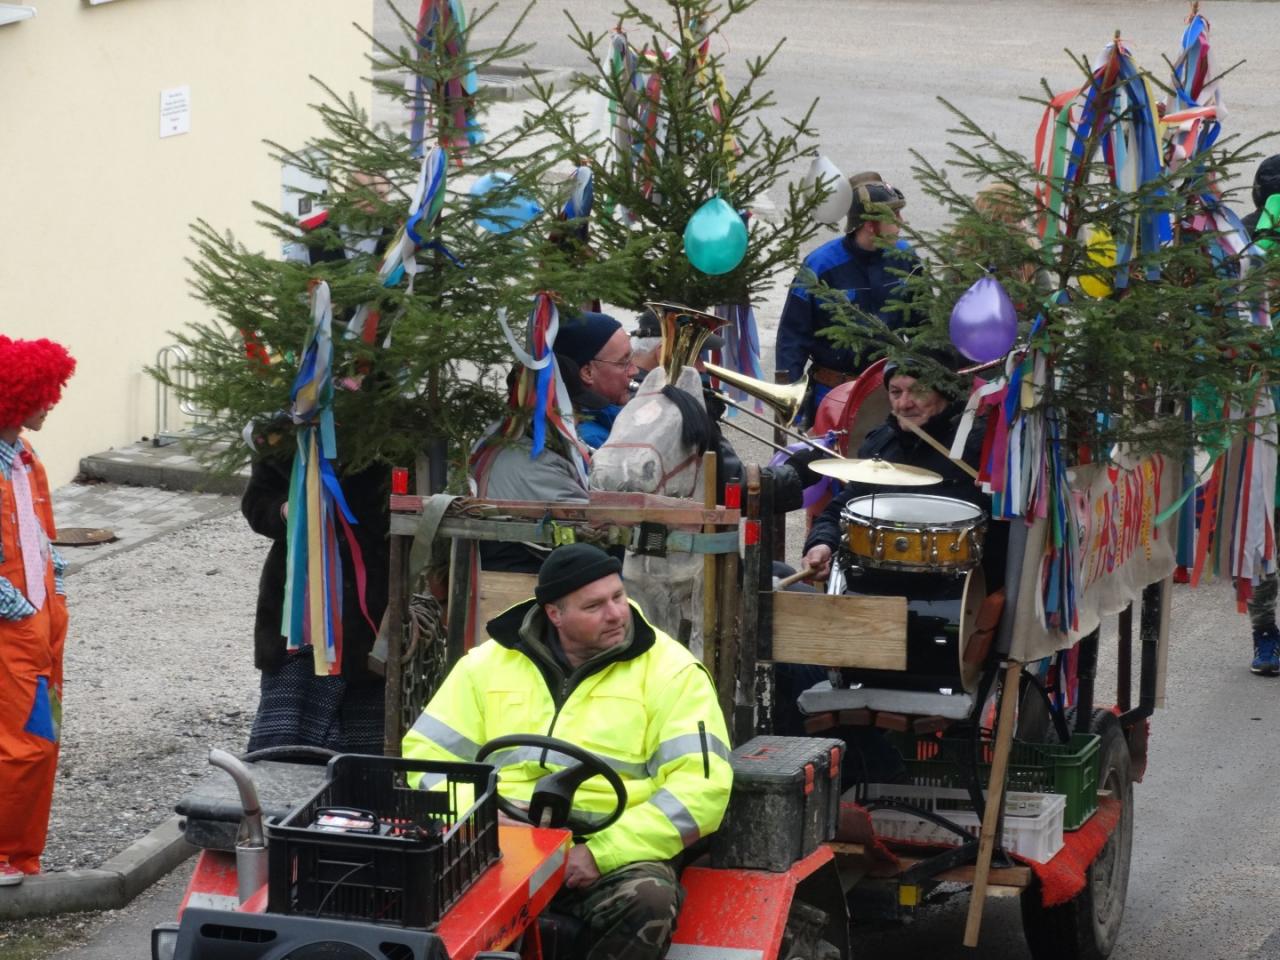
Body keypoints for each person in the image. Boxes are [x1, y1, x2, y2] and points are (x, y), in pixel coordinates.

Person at [403, 543, 733, 960]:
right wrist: (478, 817)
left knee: (649, 898)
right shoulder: (484, 665)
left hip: (611, 849)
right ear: (554, 614)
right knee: (398, 883)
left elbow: (701, 790)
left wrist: (601, 853)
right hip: (495, 840)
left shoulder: (674, 673)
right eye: (594, 606)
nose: (616, 613)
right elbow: (426, 756)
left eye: (618, 596)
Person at [241, 435, 390, 754]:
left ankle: (362, 777)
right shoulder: (282, 435)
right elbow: (256, 503)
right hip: (298, 601)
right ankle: (285, 773)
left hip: (366, 595)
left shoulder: (384, 436)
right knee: (286, 739)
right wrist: (286, 511)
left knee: (366, 728)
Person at [800, 352, 993, 581]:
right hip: (879, 578)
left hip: (960, 583)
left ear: (944, 393)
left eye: (918, 391)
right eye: (896, 392)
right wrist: (821, 543)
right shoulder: (881, 443)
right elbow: (843, 508)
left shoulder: (977, 445)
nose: (904, 404)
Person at [0, 336, 76, 885]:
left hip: (41, 617)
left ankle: (22, 854)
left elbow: (39, 535)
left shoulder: (25, 458)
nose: (50, 403)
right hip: (17, 623)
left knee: (42, 734)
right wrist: (22, 611)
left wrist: (55, 593)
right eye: (41, 394)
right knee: (19, 741)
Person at [776, 172, 920, 422]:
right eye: (894, 215)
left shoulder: (905, 258)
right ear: (870, 224)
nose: (902, 221)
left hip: (889, 394)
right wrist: (790, 411)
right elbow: (792, 339)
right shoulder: (820, 266)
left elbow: (923, 327)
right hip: (831, 396)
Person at [1240, 154, 1280, 675]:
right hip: (1262, 400)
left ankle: (1265, 633)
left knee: (1264, 523)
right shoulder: (1245, 241)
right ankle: (1265, 632)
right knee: (1263, 521)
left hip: (1257, 404)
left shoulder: (1243, 235)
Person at [555, 311, 639, 448]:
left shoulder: (607, 420)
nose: (635, 370)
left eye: (631, 358)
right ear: (588, 373)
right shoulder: (592, 440)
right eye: (623, 362)